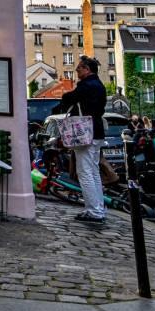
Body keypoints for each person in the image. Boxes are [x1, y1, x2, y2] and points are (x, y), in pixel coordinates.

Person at [52, 56, 107, 223]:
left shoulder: (86, 86)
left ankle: (94, 211)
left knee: (85, 172)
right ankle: (99, 207)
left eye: (79, 68)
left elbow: (68, 98)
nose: (77, 70)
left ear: (87, 70)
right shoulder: (100, 86)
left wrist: (65, 98)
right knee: (94, 171)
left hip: (85, 133)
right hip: (97, 131)